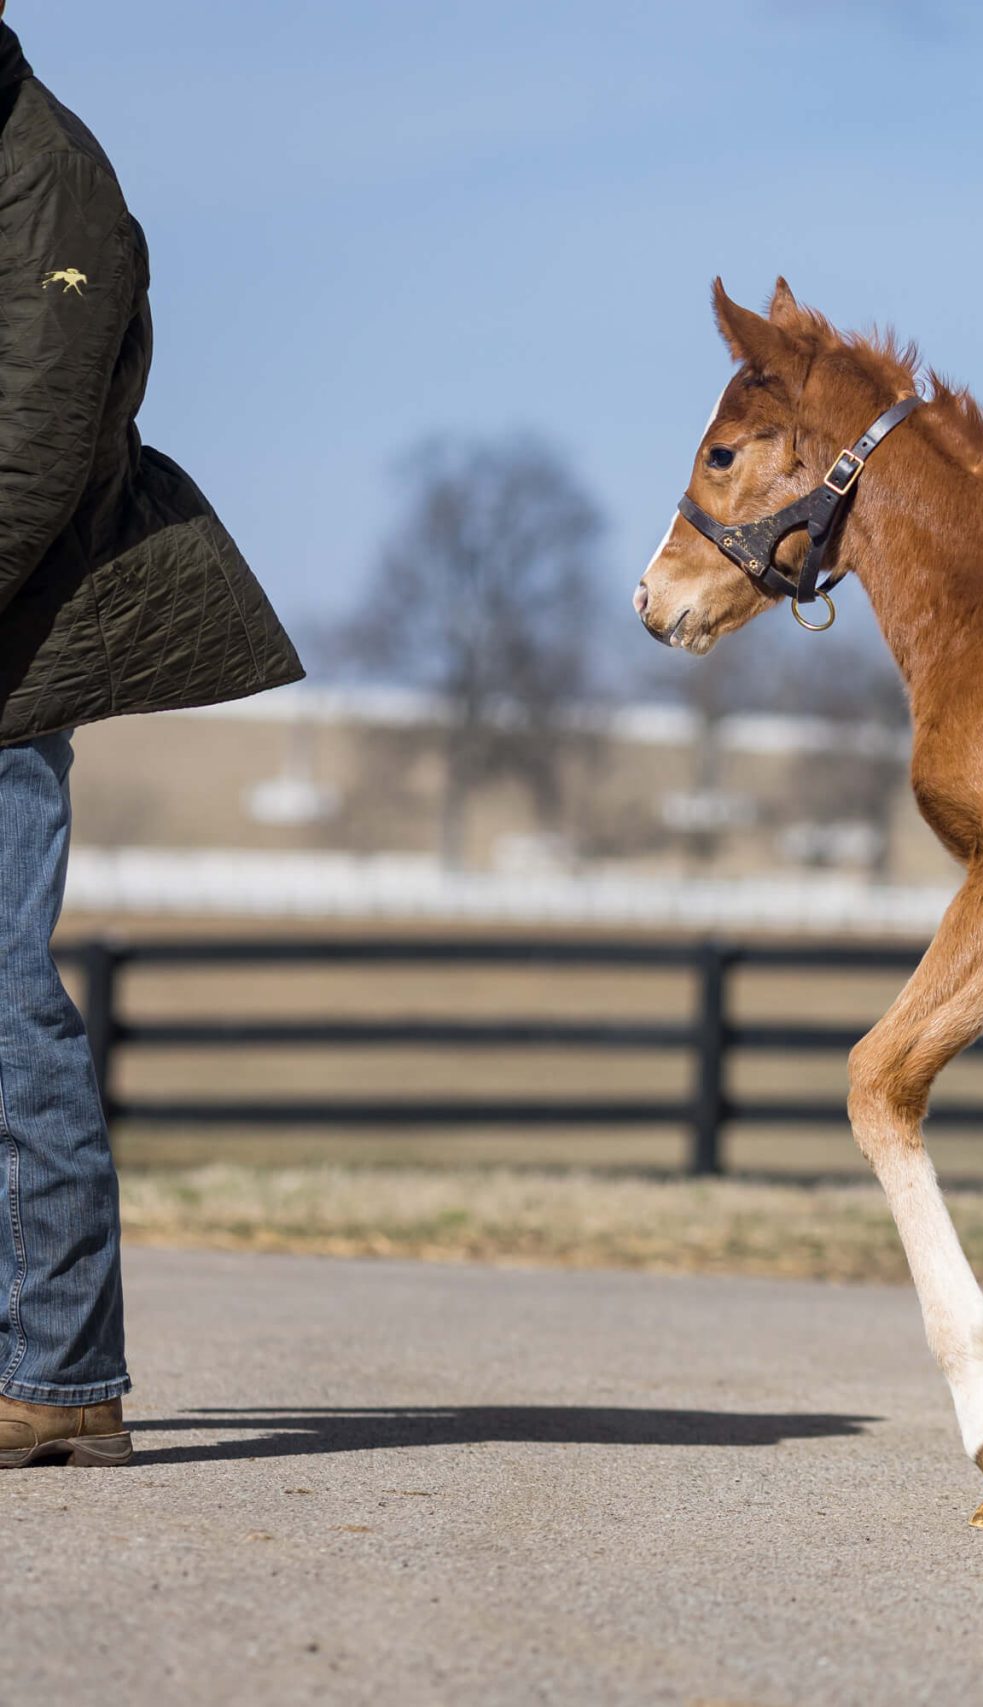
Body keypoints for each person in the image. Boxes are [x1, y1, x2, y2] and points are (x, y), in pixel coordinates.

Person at [0, 9, 302, 1466]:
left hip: (3, 665)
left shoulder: (52, 182)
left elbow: (37, 449)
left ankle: (59, 1377)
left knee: (2, 1013)